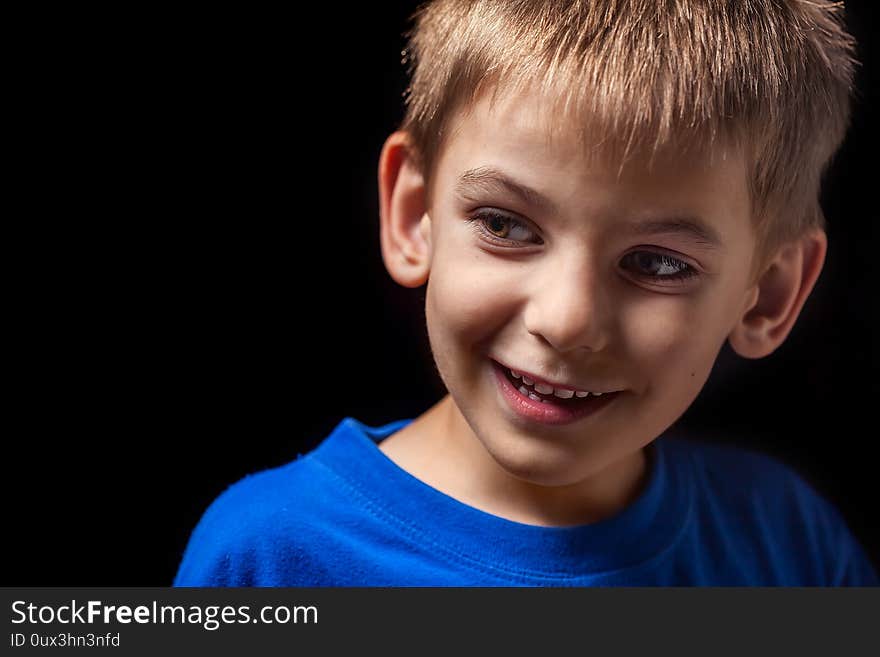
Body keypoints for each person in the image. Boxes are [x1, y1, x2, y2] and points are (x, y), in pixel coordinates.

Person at [174, 0, 878, 586]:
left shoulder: (791, 546)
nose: (566, 321)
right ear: (413, 214)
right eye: (505, 224)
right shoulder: (268, 558)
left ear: (767, 296)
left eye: (658, 264)